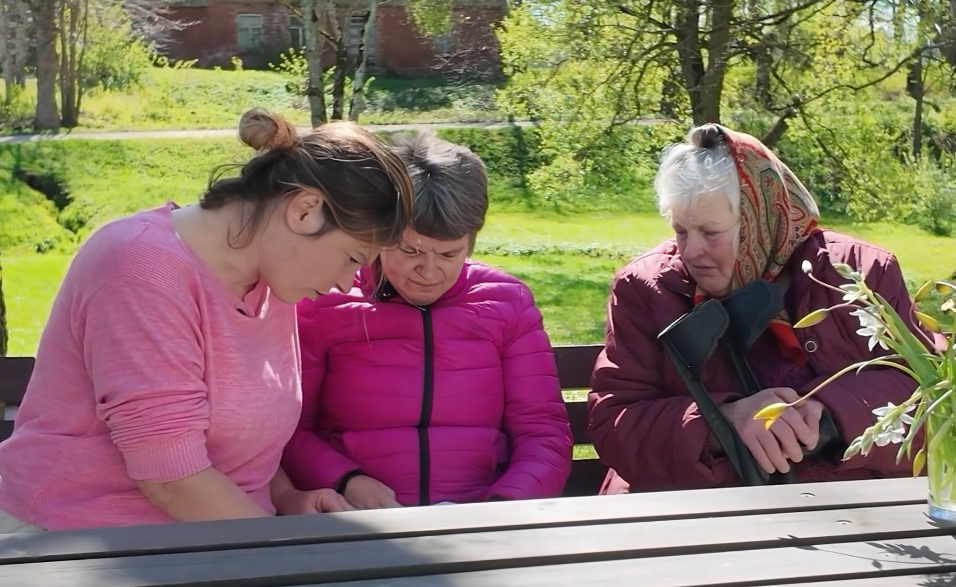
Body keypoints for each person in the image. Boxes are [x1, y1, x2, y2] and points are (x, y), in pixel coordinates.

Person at [0, 108, 414, 531]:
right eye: (352, 259)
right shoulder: (141, 268)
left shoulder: (270, 281)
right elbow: (170, 478)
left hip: (210, 541)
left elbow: (238, 445)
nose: (348, 284)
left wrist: (287, 497)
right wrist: (282, 555)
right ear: (306, 211)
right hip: (74, 544)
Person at [588, 123, 926, 494]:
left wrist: (825, 417)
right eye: (681, 231)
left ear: (760, 220)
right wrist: (723, 423)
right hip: (695, 511)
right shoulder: (646, 288)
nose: (692, 251)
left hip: (849, 510)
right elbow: (616, 423)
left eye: (710, 232)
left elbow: (927, 391)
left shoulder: (857, 272)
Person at [282, 132, 572, 508]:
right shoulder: (326, 301)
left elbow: (543, 434)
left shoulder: (506, 303)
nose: (428, 271)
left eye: (449, 254)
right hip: (358, 519)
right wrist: (345, 481)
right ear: (380, 233)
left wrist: (502, 507)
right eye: (409, 250)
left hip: (482, 521)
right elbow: (288, 427)